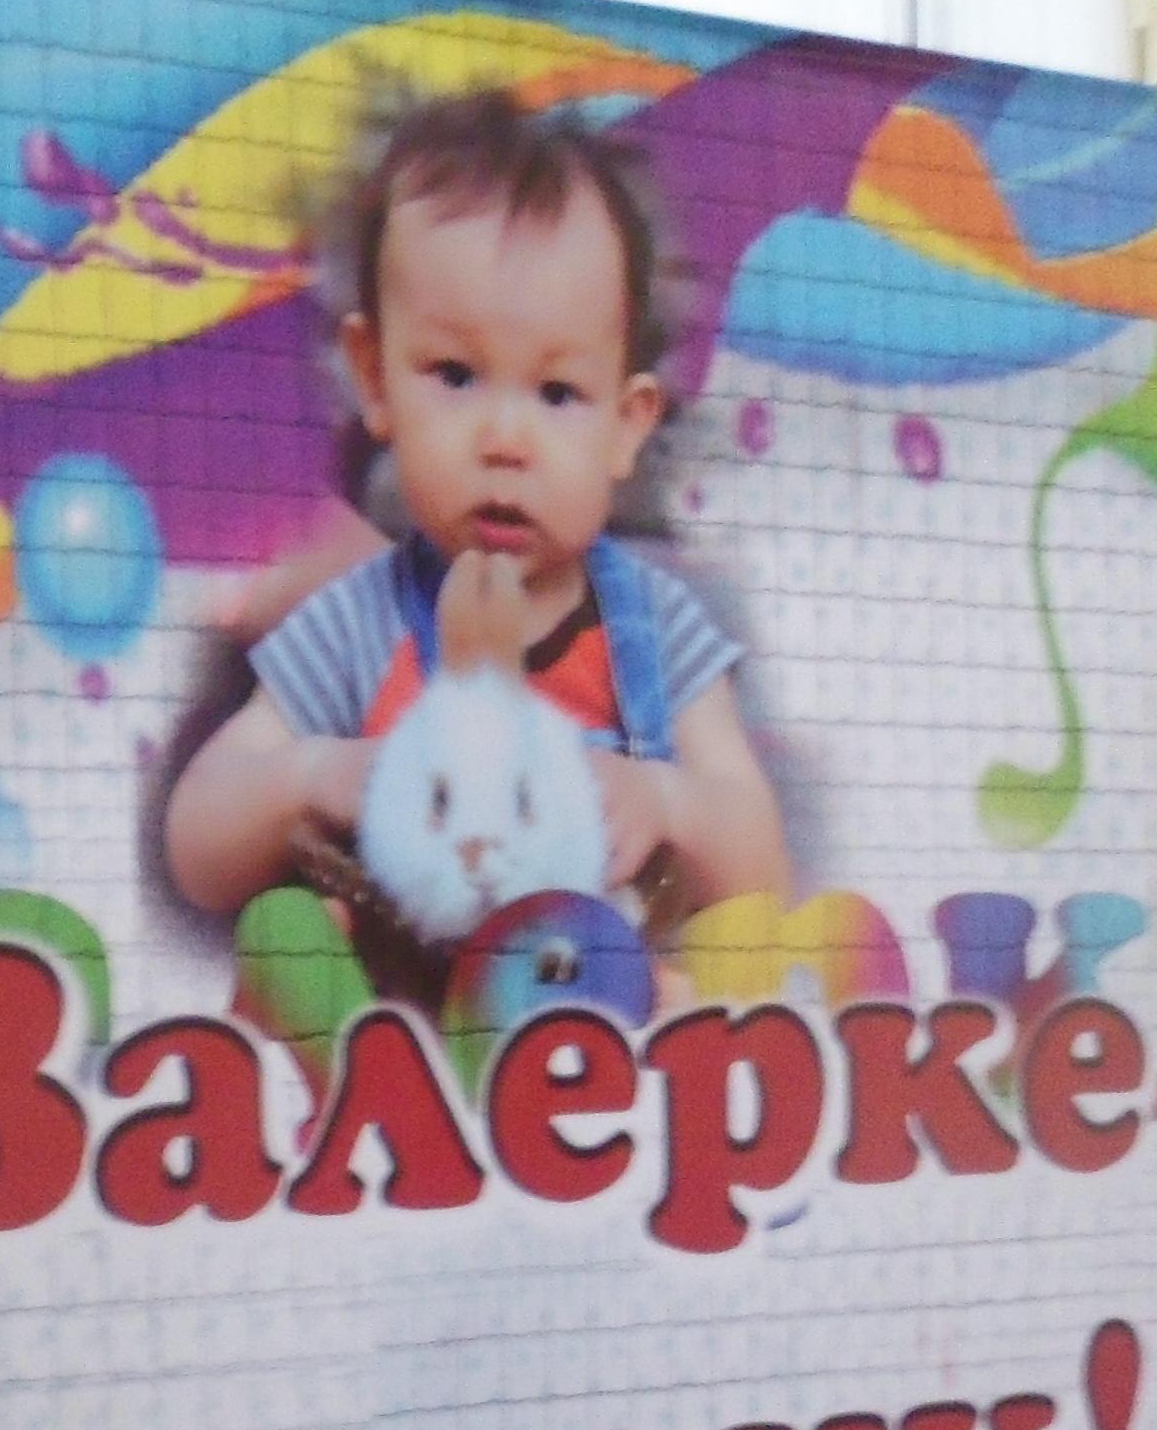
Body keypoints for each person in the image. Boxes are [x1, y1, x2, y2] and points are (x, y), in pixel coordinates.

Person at [161, 88, 786, 936]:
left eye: (558, 393)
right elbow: (196, 845)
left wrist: (670, 802)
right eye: (455, 376)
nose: (504, 440)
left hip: (605, 1007)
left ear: (626, 425)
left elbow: (762, 868)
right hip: (416, 1011)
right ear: (375, 379)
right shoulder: (358, 625)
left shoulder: (655, 630)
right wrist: (306, 776)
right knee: (297, 939)